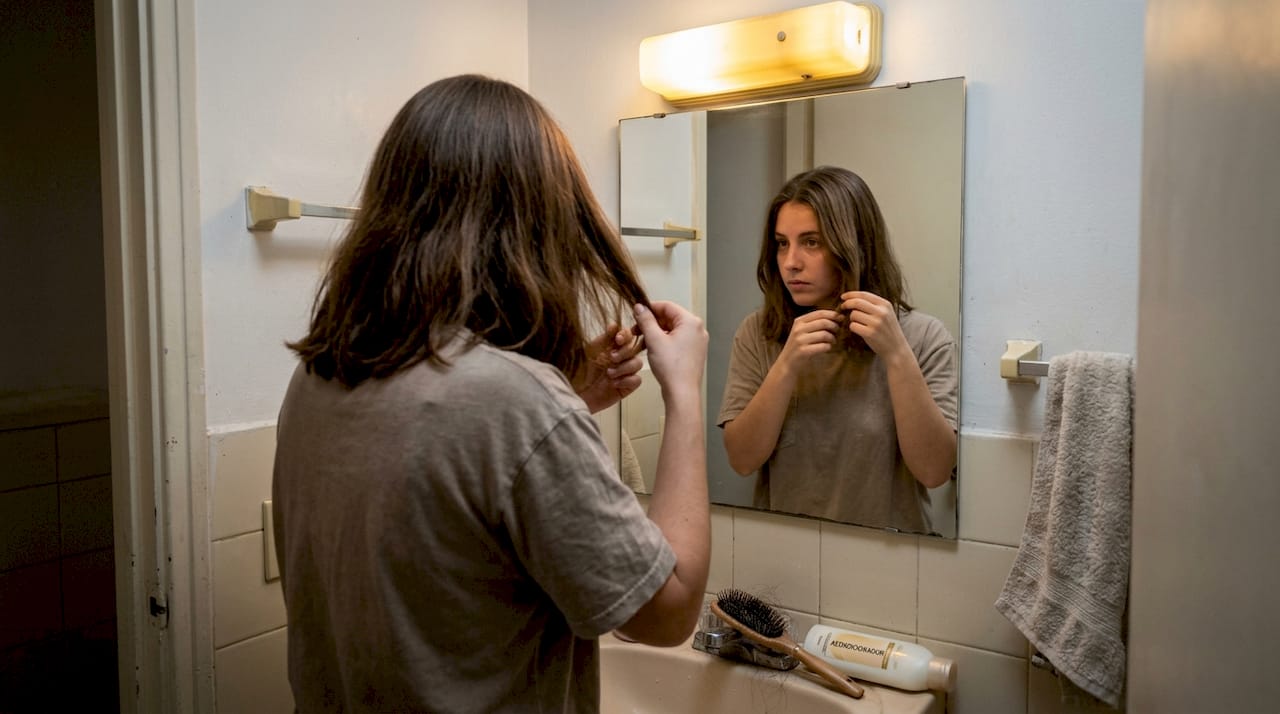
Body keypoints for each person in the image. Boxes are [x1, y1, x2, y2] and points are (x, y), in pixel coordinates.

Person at [271, 74, 710, 714]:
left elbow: (448, 536)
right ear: (537, 224)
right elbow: (668, 613)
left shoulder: (318, 377)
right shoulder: (515, 404)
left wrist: (562, 399)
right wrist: (685, 394)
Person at [718, 166, 957, 533]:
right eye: (782, 243)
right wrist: (787, 366)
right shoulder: (760, 333)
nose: (790, 262)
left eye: (811, 242)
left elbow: (935, 471)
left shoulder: (923, 336)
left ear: (855, 244)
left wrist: (896, 355)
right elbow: (742, 460)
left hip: (895, 556)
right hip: (786, 550)